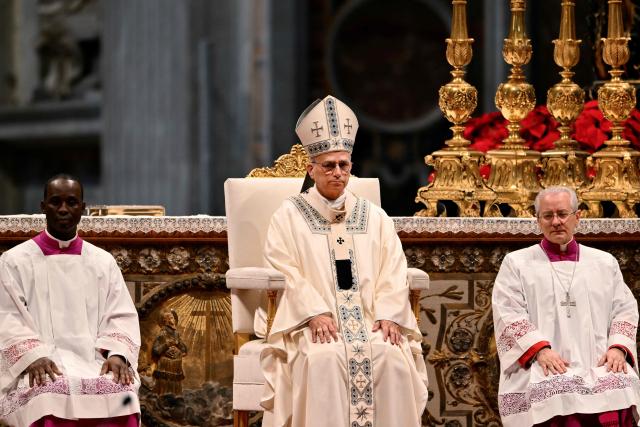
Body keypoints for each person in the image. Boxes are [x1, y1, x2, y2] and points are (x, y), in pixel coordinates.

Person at [259, 95, 428, 426]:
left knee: (392, 359)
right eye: (328, 165)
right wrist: (313, 312)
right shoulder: (289, 215)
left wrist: (390, 315)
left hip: (370, 320)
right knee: (321, 359)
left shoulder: (374, 216)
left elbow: (394, 270)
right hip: (316, 322)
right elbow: (282, 268)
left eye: (344, 165)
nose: (337, 173)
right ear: (311, 169)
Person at [492, 186, 640, 427]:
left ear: (577, 217)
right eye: (548, 216)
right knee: (556, 392)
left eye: (562, 214)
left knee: (620, 386)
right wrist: (539, 350)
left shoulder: (603, 262)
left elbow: (624, 309)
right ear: (537, 220)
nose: (556, 222)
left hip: (598, 360)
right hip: (546, 362)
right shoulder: (517, 263)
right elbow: (508, 312)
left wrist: (618, 348)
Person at [0, 174, 141, 426]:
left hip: (94, 361)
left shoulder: (102, 262)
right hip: (42, 361)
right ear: (43, 207)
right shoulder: (14, 261)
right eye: (55, 202)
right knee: (46, 393)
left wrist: (117, 354)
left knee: (123, 395)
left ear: (83, 208)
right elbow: (7, 316)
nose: (63, 209)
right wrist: (32, 356)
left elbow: (120, 315)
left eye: (72, 202)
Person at [152, 309, 188, 395]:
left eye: (173, 317)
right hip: (165, 366)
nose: (173, 320)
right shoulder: (162, 334)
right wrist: (166, 345)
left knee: (175, 389)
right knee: (165, 388)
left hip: (176, 366)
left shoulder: (176, 334)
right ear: (165, 321)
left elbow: (184, 349)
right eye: (171, 318)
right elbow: (155, 350)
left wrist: (178, 350)